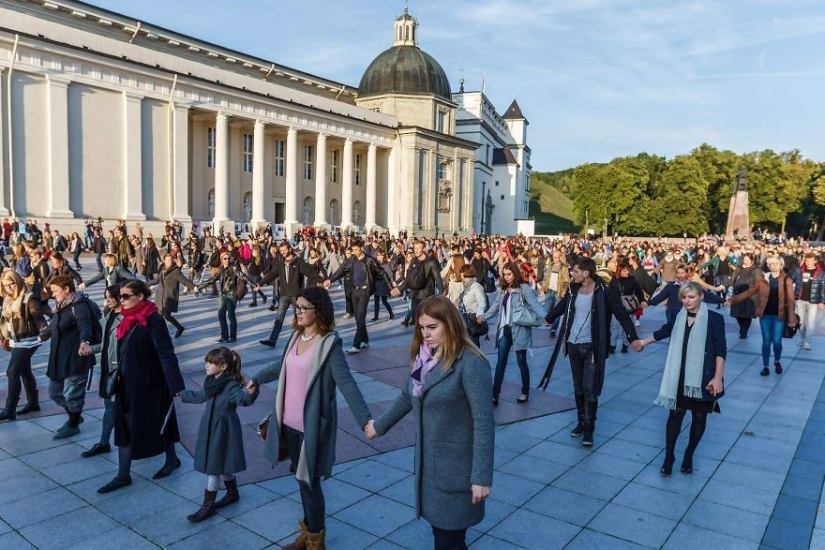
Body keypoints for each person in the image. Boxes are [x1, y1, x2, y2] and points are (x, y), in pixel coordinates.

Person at [246, 287, 373, 549]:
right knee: (300, 480)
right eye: (297, 307)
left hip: (311, 428)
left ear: (320, 311)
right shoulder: (295, 336)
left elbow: (347, 384)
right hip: (287, 425)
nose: (299, 312)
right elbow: (281, 367)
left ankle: (316, 541)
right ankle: (308, 533)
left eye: (305, 308)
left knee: (310, 484)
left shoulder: (329, 345)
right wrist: (256, 378)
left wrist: (366, 421)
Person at [366, 295, 494, 550]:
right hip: (431, 469)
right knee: (443, 537)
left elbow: (483, 422)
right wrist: (378, 426)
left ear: (450, 323)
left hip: (456, 471)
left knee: (449, 541)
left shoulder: (470, 363)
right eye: (422, 327)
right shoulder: (425, 360)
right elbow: (407, 395)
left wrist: (481, 477)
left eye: (432, 327)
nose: (426, 334)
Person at [97, 280, 186, 494]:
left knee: (159, 422)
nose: (122, 300)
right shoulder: (125, 319)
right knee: (125, 426)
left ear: (141, 297)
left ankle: (172, 459)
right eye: (121, 296)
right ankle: (123, 475)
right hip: (126, 385)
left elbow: (166, 354)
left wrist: (175, 386)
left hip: (150, 384)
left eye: (126, 296)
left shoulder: (154, 320)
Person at [545, 257, 643, 446]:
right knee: (578, 386)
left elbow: (622, 315)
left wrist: (633, 338)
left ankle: (590, 428)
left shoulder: (605, 292)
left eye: (575, 271)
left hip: (592, 346)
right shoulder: (573, 289)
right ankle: (581, 422)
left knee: (590, 388)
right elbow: (563, 306)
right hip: (573, 344)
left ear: (586, 273)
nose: (572, 274)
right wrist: (549, 319)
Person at [638, 282, 726, 475]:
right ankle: (669, 456)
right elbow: (665, 330)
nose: (687, 301)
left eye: (691, 297)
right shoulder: (679, 316)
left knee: (700, 416)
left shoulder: (714, 319)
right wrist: (643, 342)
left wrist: (718, 378)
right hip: (680, 374)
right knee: (676, 414)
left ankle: (689, 454)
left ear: (701, 296)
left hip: (704, 377)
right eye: (684, 297)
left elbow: (720, 350)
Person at [179, 347, 258, 522]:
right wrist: (181, 394)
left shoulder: (230, 385)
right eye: (206, 362)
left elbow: (242, 400)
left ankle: (207, 506)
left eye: (210, 362)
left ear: (223, 366)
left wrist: (252, 393)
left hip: (224, 429)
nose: (206, 365)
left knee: (214, 467)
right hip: (211, 426)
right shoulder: (211, 382)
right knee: (221, 463)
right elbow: (200, 396)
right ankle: (232, 493)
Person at [38, 275, 98, 439]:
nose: (53, 295)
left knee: (72, 394)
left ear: (66, 289)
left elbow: (85, 325)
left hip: (75, 357)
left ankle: (73, 424)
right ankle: (75, 416)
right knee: (54, 392)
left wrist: (84, 342)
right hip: (59, 358)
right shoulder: (62, 305)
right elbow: (56, 324)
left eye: (56, 291)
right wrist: (43, 335)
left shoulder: (78, 305)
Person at [481, 261, 545, 406]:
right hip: (504, 330)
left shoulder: (523, 289)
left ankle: (525, 391)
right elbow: (496, 307)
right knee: (500, 364)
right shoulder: (503, 290)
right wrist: (483, 317)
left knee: (521, 362)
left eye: (509, 274)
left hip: (519, 330)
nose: (507, 277)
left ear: (515, 274)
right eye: (504, 275)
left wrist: (546, 316)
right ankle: (494, 394)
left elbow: (535, 304)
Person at [726, 256, 796, 376]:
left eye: (776, 263)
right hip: (765, 316)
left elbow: (790, 300)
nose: (774, 266)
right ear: (768, 266)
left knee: (777, 341)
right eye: (772, 264)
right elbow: (749, 292)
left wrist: (792, 317)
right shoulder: (763, 280)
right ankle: (766, 366)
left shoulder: (787, 281)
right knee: (766, 342)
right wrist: (734, 299)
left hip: (779, 316)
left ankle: (777, 360)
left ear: (781, 266)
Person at [324, 239, 395, 354]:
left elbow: (382, 272)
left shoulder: (370, 260)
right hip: (354, 291)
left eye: (357, 250)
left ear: (361, 248)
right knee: (358, 318)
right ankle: (365, 340)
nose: (355, 252)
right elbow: (341, 270)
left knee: (361, 316)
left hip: (364, 292)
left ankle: (356, 345)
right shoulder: (351, 259)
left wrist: (391, 287)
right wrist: (330, 280)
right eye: (353, 250)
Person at [0, 271, 48, 421]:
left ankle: (10, 409)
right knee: (24, 371)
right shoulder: (8, 298)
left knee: (12, 372)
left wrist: (44, 333)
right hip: (16, 340)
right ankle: (33, 403)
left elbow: (39, 319)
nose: (9, 288)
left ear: (18, 281)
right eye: (5, 285)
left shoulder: (29, 298)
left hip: (29, 341)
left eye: (11, 284)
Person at [82, 285, 123, 457]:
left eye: (110, 297)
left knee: (119, 409)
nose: (107, 300)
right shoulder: (108, 316)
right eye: (106, 296)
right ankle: (104, 442)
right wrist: (90, 349)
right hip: (108, 369)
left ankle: (165, 447)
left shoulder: (125, 319)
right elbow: (107, 344)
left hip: (119, 370)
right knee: (109, 407)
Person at [256, 242, 309, 348]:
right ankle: (272, 340)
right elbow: (272, 274)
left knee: (299, 318)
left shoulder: (298, 261)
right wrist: (260, 283)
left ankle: (303, 339)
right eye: (281, 251)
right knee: (279, 318)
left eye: (284, 250)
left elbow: (309, 272)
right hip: (284, 294)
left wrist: (322, 281)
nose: (283, 252)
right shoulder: (281, 262)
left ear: (289, 249)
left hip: (295, 295)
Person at [642, 264, 723, 326]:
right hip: (673, 313)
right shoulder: (671, 286)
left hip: (688, 313)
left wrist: (722, 300)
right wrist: (648, 303)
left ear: (687, 273)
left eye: (682, 273)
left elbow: (706, 295)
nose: (680, 275)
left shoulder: (692, 286)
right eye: (678, 273)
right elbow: (660, 297)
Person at [198, 252, 250, 344]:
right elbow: (212, 280)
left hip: (231, 295)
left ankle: (232, 336)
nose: (227, 260)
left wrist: (255, 286)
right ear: (222, 260)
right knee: (221, 315)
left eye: (228, 258)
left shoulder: (234, 268)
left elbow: (244, 277)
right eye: (225, 259)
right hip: (222, 295)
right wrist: (199, 287)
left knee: (231, 315)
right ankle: (224, 336)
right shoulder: (221, 270)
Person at [391, 240, 443, 326]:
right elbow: (408, 279)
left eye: (418, 248)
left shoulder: (431, 262)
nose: (416, 250)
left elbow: (438, 279)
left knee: (427, 320)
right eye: (415, 248)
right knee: (418, 321)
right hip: (414, 294)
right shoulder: (414, 260)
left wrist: (441, 295)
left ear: (424, 249)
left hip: (427, 295)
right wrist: (399, 289)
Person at [147, 254, 198, 338]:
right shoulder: (162, 269)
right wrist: (146, 284)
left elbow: (184, 281)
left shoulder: (176, 271)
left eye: (171, 260)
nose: (169, 262)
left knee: (161, 316)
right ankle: (179, 328)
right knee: (164, 315)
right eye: (167, 260)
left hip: (169, 296)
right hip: (160, 296)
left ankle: (159, 334)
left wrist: (193, 287)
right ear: (164, 261)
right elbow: (157, 280)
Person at [790, 252, 825, 350]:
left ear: (815, 261)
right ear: (805, 261)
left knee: (810, 322)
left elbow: (823, 287)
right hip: (800, 300)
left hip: (813, 301)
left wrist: (823, 301)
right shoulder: (799, 270)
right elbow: (789, 281)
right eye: (807, 260)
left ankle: (807, 341)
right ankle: (802, 338)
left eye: (811, 260)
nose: (809, 262)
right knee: (801, 322)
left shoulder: (821, 272)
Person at [608, 262, 645, 353]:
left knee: (627, 328)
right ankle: (612, 346)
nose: (627, 272)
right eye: (624, 270)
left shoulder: (632, 279)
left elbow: (639, 291)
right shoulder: (614, 280)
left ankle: (625, 345)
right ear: (619, 271)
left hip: (629, 307)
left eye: (627, 270)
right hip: (616, 308)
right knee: (614, 328)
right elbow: (609, 294)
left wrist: (641, 300)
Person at [728, 254, 763, 339]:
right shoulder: (739, 268)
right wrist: (724, 286)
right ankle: (742, 327)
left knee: (747, 315)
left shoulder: (756, 270)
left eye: (748, 259)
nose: (746, 261)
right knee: (737, 314)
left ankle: (744, 331)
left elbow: (757, 283)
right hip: (737, 294)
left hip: (750, 296)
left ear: (752, 260)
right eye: (744, 259)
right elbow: (732, 279)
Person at [541, 248, 570, 338]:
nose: (555, 259)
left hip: (558, 292)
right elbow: (546, 279)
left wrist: (564, 290)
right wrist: (543, 289)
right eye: (553, 257)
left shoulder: (564, 268)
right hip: (549, 291)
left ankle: (553, 330)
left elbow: (566, 281)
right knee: (546, 310)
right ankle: (550, 320)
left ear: (560, 257)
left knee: (557, 312)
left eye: (556, 257)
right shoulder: (550, 266)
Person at [458, 264, 488, 347]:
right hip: (464, 318)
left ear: (464, 273)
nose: (460, 274)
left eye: (461, 272)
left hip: (472, 320)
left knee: (473, 344)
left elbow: (482, 302)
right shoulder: (465, 285)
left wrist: (479, 314)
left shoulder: (476, 287)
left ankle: (477, 359)